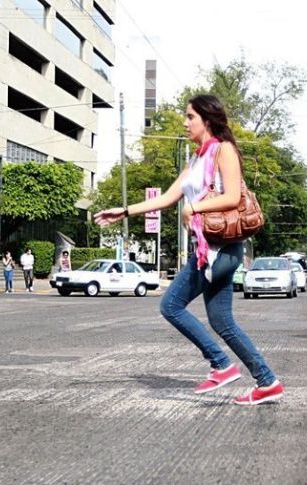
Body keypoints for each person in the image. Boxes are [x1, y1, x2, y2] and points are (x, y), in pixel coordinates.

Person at [93, 94, 283, 405]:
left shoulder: (225, 151)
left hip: (220, 251)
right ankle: (267, 382)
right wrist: (124, 211)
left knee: (170, 305)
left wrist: (193, 208)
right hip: (208, 251)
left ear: (207, 120)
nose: (185, 122)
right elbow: (166, 198)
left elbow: (233, 196)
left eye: (190, 117)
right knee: (222, 322)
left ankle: (221, 364)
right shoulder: (196, 160)